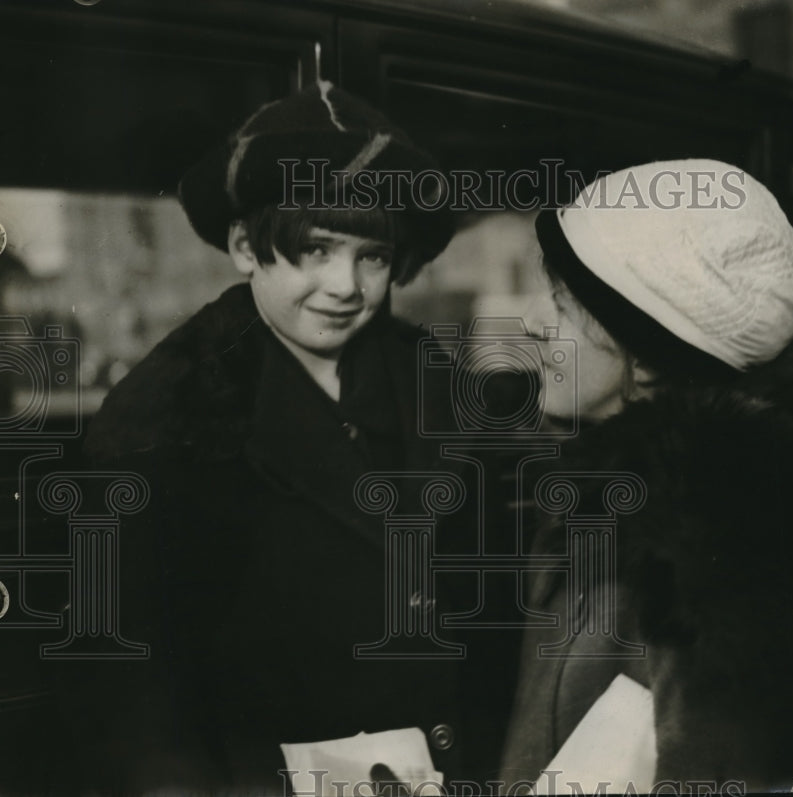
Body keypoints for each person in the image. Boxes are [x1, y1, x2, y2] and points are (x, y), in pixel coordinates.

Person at [59, 82, 481, 794]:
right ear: (245, 247)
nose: (344, 285)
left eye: (372, 255)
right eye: (314, 249)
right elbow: (136, 692)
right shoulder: (165, 415)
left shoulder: (439, 387)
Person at [500, 161, 793, 793]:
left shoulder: (714, 547)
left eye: (561, 303)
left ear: (646, 350)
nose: (532, 320)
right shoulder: (616, 504)